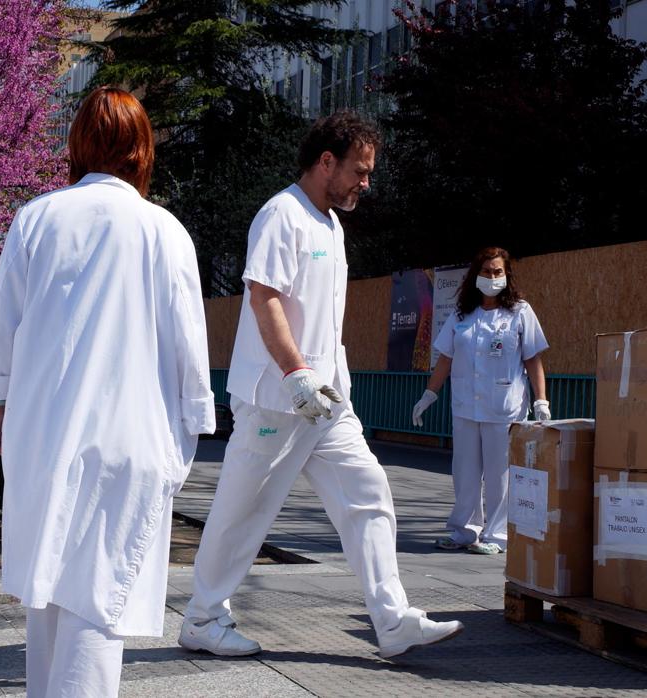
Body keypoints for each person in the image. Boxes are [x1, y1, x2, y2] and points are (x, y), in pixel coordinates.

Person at [179, 112, 462, 660]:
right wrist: (296, 374)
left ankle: (392, 619)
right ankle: (203, 618)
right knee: (244, 510)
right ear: (326, 161)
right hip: (279, 396)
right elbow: (264, 299)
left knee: (368, 493)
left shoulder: (330, 223)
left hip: (327, 399)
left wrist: (323, 381)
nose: (365, 183)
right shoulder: (281, 215)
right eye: (359, 171)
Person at [0, 87, 213, 698]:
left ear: (78, 143)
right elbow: (190, 346)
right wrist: (191, 427)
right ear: (141, 150)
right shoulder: (165, 231)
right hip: (133, 432)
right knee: (101, 594)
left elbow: (3, 325)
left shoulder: (38, 217)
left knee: (49, 585)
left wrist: (0, 404)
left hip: (46, 429)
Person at [411, 247, 550, 555]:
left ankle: (496, 535)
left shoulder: (520, 312)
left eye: (497, 272)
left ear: (507, 275)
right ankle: (464, 531)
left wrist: (541, 401)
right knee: (465, 471)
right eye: (486, 271)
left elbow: (533, 359)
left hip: (504, 406)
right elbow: (446, 358)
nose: (491, 277)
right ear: (476, 275)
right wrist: (429, 394)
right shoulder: (462, 315)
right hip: (465, 406)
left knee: (500, 474)